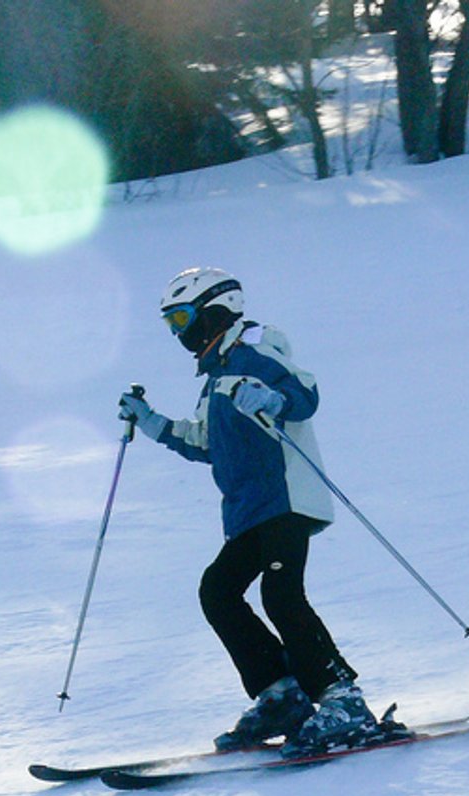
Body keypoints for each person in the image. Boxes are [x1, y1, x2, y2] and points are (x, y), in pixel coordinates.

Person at [118, 267, 407, 757]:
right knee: (218, 591)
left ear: (215, 310)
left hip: (287, 497)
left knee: (280, 593)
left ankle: (343, 699)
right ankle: (282, 696)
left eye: (182, 317)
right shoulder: (215, 380)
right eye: (171, 323)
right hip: (249, 509)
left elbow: (304, 394)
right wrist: (151, 423)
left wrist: (273, 397)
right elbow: (207, 443)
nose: (179, 332)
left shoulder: (256, 348)